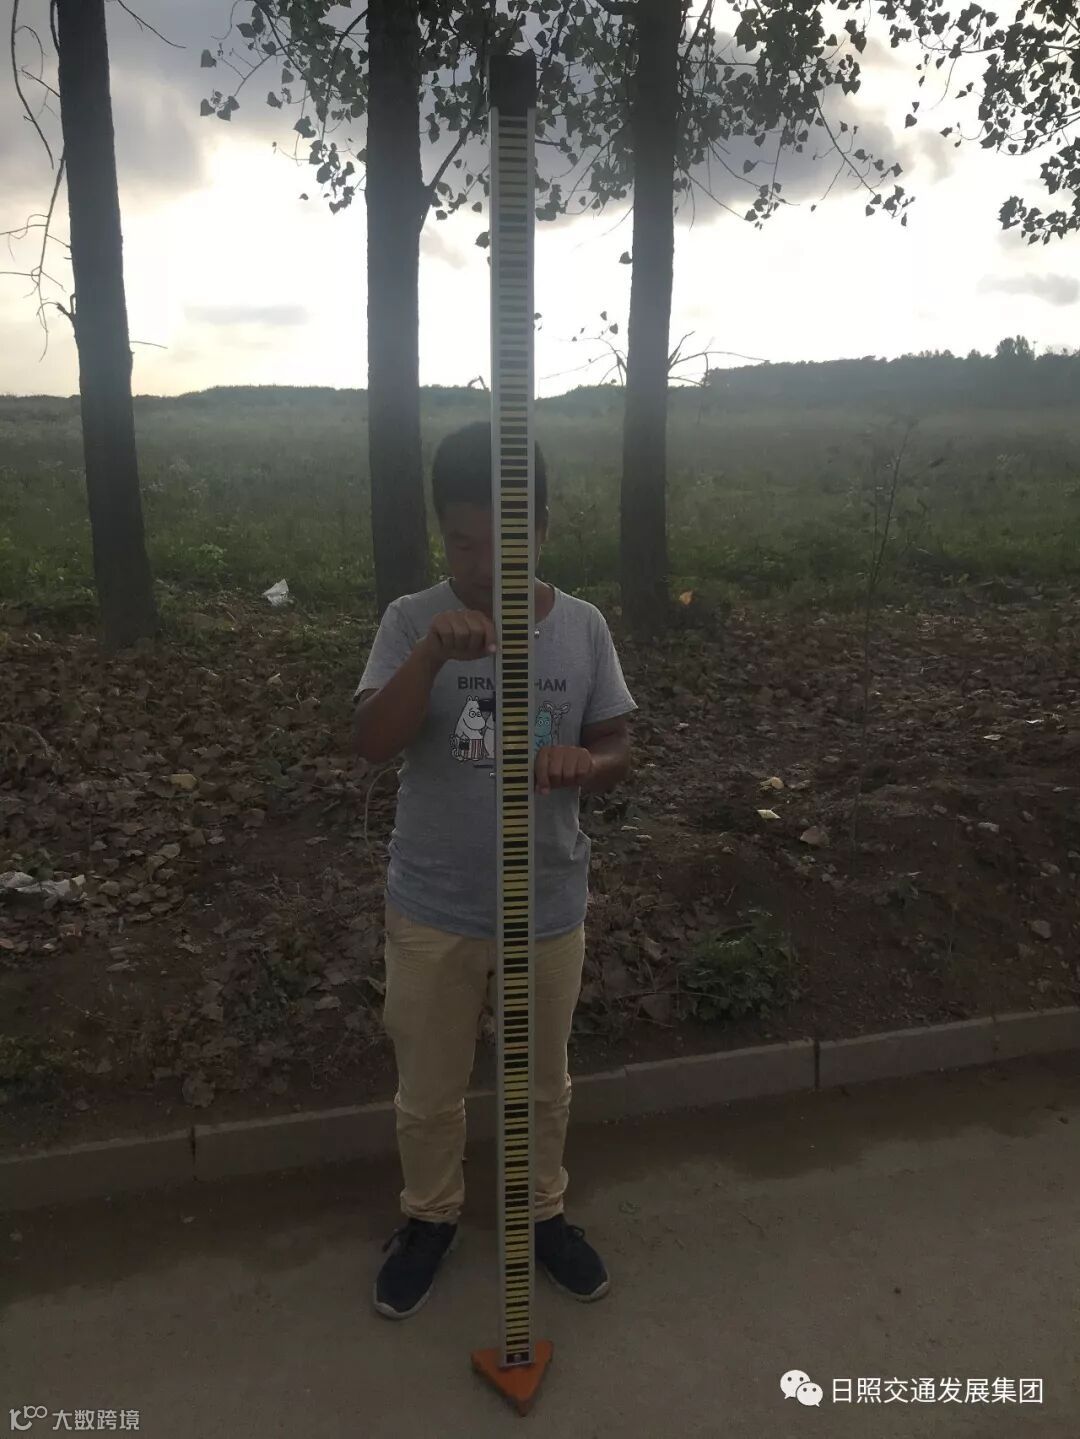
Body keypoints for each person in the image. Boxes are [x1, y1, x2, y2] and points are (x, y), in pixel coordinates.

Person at [352, 419, 637, 1321]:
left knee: (542, 1082)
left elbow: (617, 740)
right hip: (433, 904)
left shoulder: (581, 627)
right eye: (463, 542)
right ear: (444, 534)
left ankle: (541, 1209)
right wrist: (432, 654)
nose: (482, 565)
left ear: (542, 530)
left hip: (546, 902)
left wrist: (588, 763)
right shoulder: (412, 620)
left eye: (505, 543)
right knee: (430, 1086)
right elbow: (371, 740)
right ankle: (430, 1217)